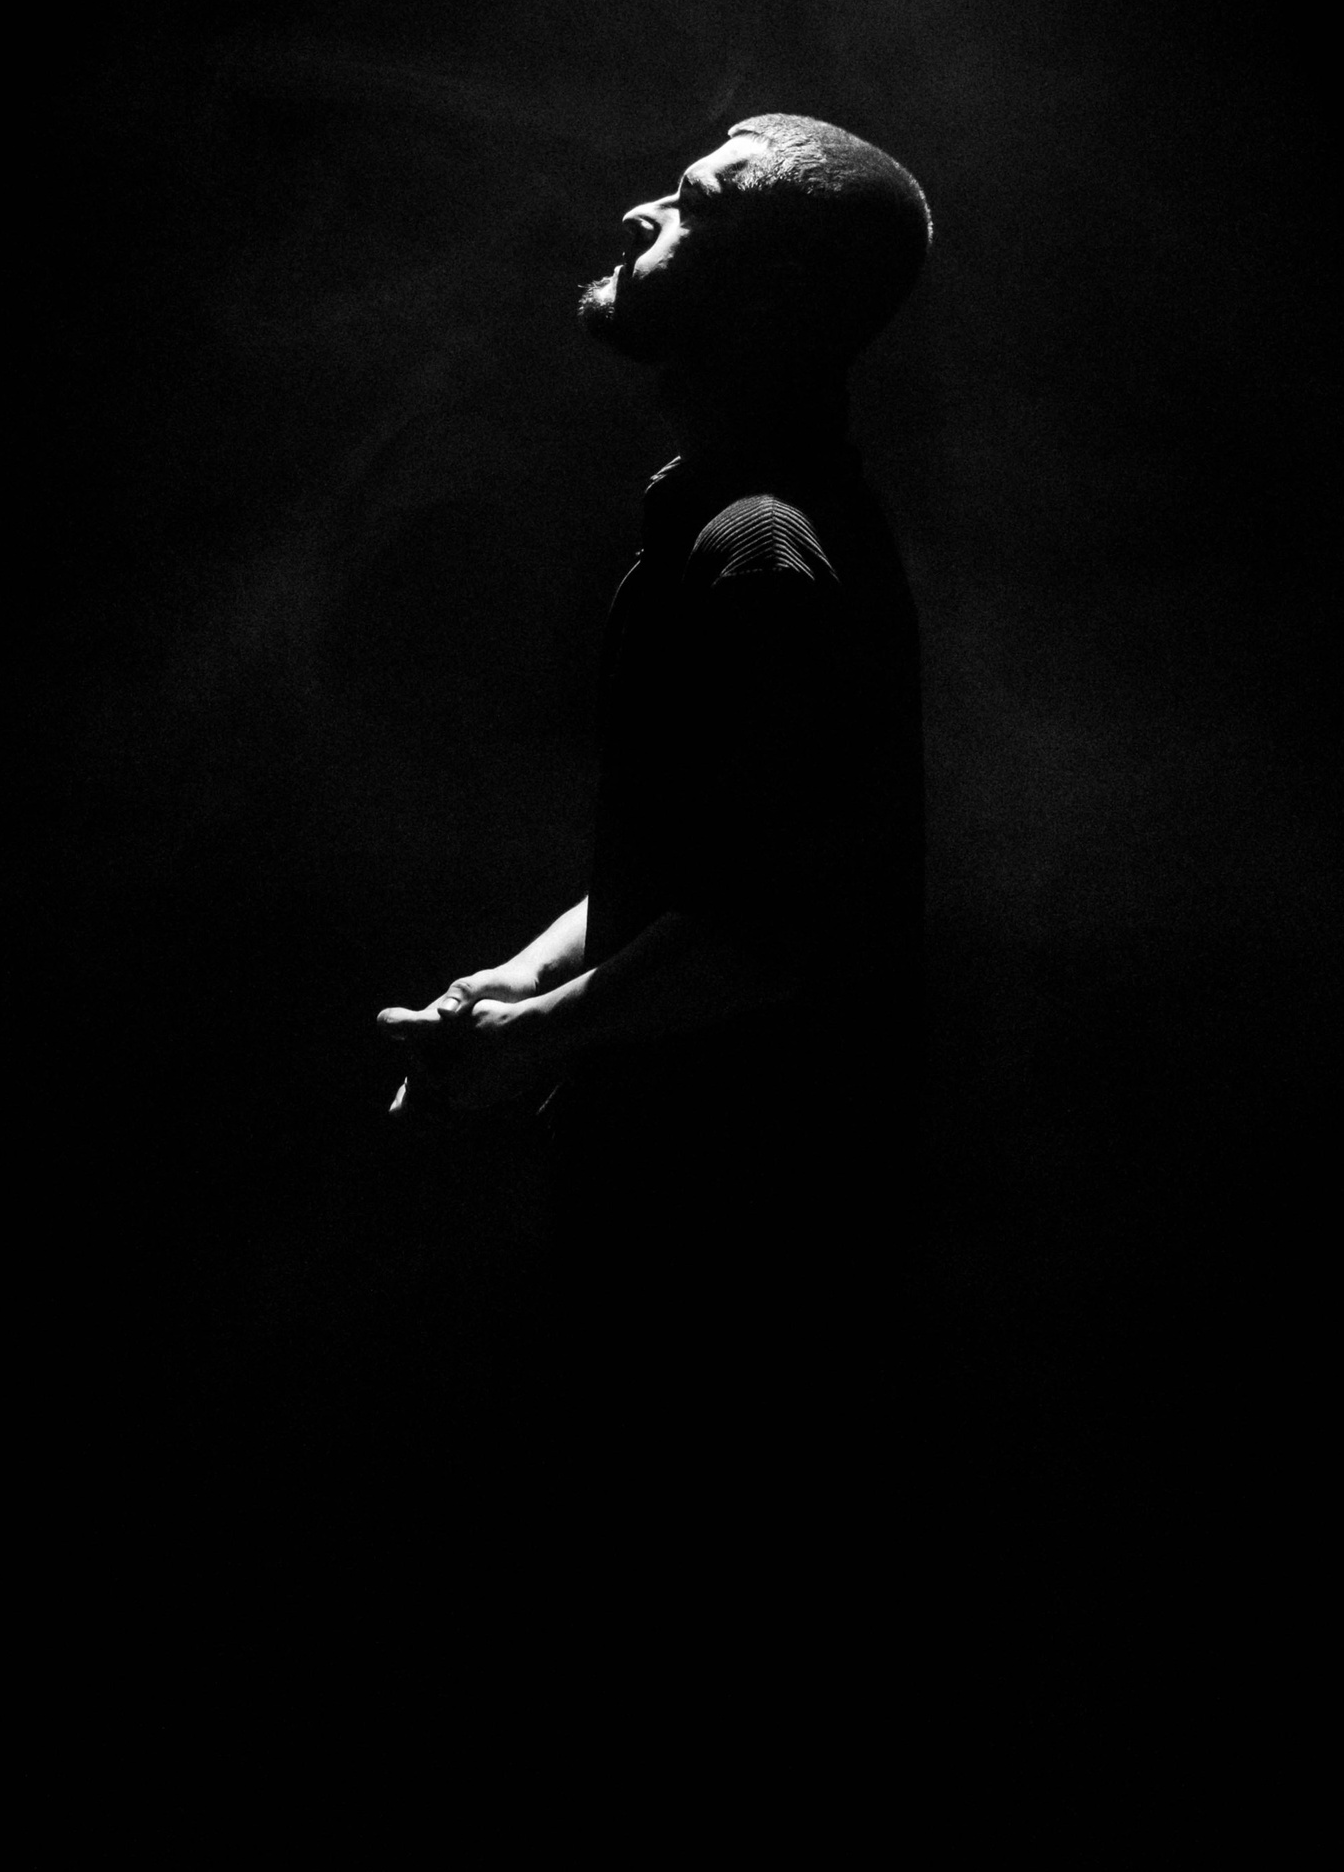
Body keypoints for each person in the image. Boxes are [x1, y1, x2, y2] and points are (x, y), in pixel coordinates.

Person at [378, 111, 931, 1393]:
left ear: (775, 291)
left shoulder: (761, 546)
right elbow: (708, 866)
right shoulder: (736, 524)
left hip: (733, 1268)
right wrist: (523, 982)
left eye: (695, 202)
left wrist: (532, 1044)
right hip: (687, 1223)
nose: (642, 213)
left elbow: (771, 928)